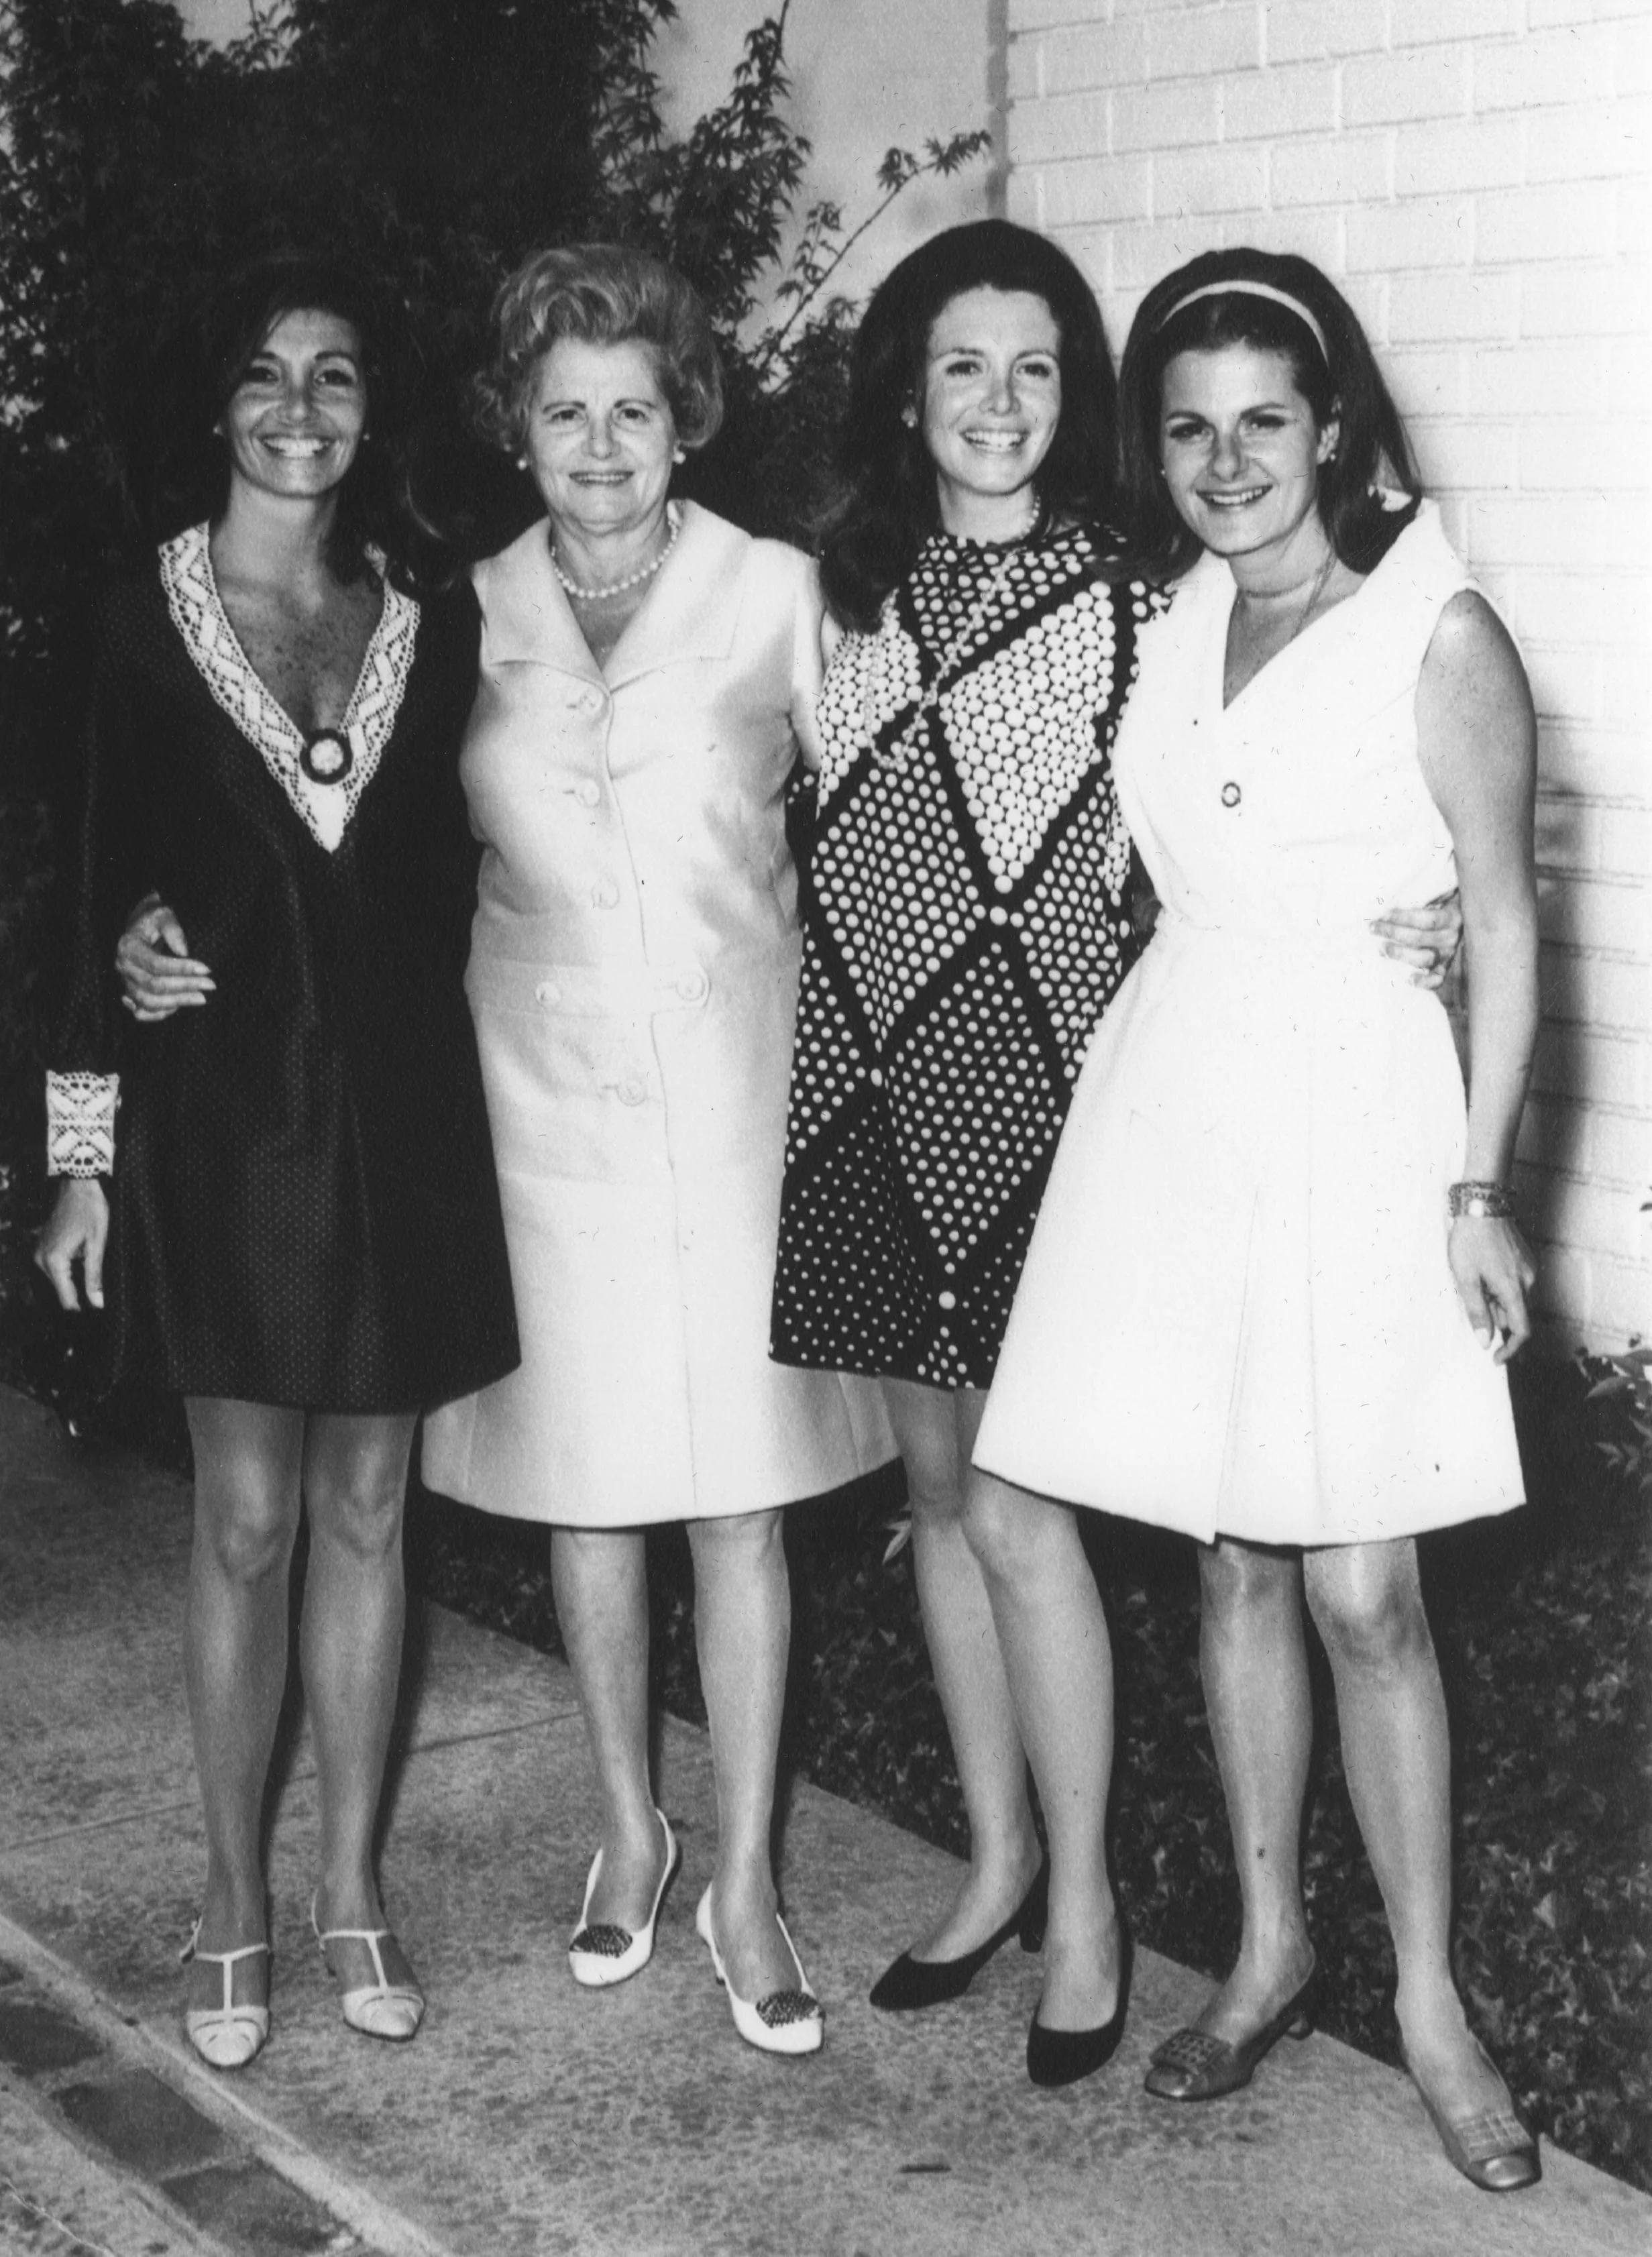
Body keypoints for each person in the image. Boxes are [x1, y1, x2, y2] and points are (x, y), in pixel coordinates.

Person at [769, 219, 1458, 2088]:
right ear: (904, 391)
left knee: (1021, 1507)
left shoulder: (1141, 593)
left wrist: (1441, 918)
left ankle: (1084, 1904)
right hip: (871, 1087)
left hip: (1065, 1105)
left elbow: (1322, 752)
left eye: (1035, 368)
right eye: (959, 366)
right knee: (938, 1494)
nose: (996, 403)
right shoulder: (829, 595)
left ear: (1076, 399)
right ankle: (995, 1857)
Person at [975, 247, 1540, 2190]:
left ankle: (1430, 2003)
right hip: (1182, 1099)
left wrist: (1480, 1181)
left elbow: (1506, 911)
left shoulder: (1435, 630)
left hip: (1365, 1111)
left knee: (1362, 1588)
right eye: (1190, 428)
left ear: (1335, 431)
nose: (1226, 462)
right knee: (1230, 1560)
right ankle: (1269, 1947)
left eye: (1265, 424)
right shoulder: (1169, 616)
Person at [36, 257, 519, 2070]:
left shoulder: (430, 625)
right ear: (217, 405)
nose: (298, 409)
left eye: (334, 375)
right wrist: (79, 1159)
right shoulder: (135, 621)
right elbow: (84, 908)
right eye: (264, 373)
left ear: (371, 410)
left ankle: (350, 1888)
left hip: (400, 1130)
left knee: (372, 1514)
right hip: (225, 1130)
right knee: (245, 1518)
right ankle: (231, 1897)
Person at [416, 244, 891, 2055]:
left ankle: (745, 1878)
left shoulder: (774, 591)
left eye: (633, 407)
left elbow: (891, 810)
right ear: (517, 428)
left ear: (685, 417)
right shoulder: (464, 611)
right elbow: (371, 852)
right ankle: (630, 1826)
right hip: (532, 1104)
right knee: (588, 1489)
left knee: (738, 1500)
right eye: (565, 412)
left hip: (741, 1091)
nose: (601, 446)